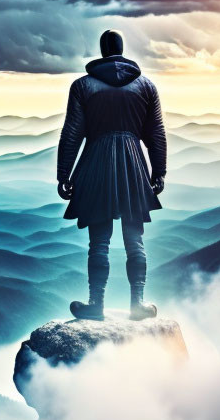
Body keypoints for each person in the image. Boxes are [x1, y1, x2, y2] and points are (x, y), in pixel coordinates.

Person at [57, 29, 167, 320]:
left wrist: (64, 174)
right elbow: (156, 133)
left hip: (96, 163)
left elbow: (72, 133)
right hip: (134, 164)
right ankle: (138, 304)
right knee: (135, 239)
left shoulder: (82, 86)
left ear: (103, 50)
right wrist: (159, 171)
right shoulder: (146, 86)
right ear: (121, 49)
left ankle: (95, 305)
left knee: (99, 240)